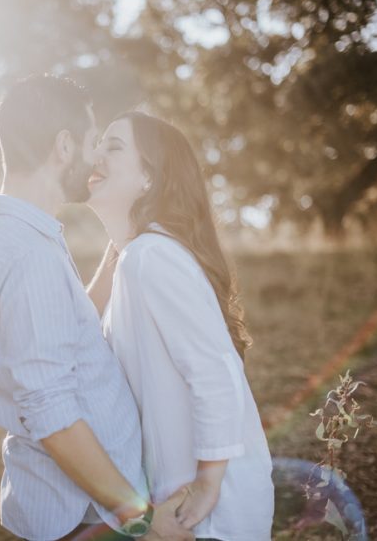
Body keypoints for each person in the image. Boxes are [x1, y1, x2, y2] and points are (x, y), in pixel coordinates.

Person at [0, 76, 193, 541]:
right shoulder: (28, 254)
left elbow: (56, 332)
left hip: (78, 508)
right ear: (64, 146)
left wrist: (119, 242)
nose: (97, 160)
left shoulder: (3, 234)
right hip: (88, 518)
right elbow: (51, 410)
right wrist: (142, 520)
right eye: (92, 143)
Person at [86, 112, 276, 541]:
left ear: (149, 178)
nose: (95, 154)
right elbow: (75, 330)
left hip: (209, 511)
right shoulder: (135, 258)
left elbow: (215, 371)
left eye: (113, 146)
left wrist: (207, 486)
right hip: (178, 503)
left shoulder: (151, 257)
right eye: (97, 143)